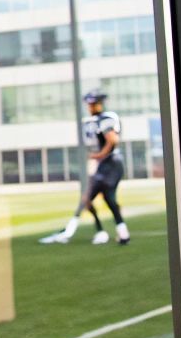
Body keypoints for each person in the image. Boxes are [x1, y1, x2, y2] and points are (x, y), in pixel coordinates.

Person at [39, 89, 131, 246]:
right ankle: (122, 234)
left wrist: (98, 155)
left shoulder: (106, 118)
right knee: (108, 199)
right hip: (107, 165)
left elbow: (112, 140)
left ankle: (74, 231)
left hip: (110, 165)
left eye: (93, 104)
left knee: (87, 198)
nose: (90, 107)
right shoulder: (96, 120)